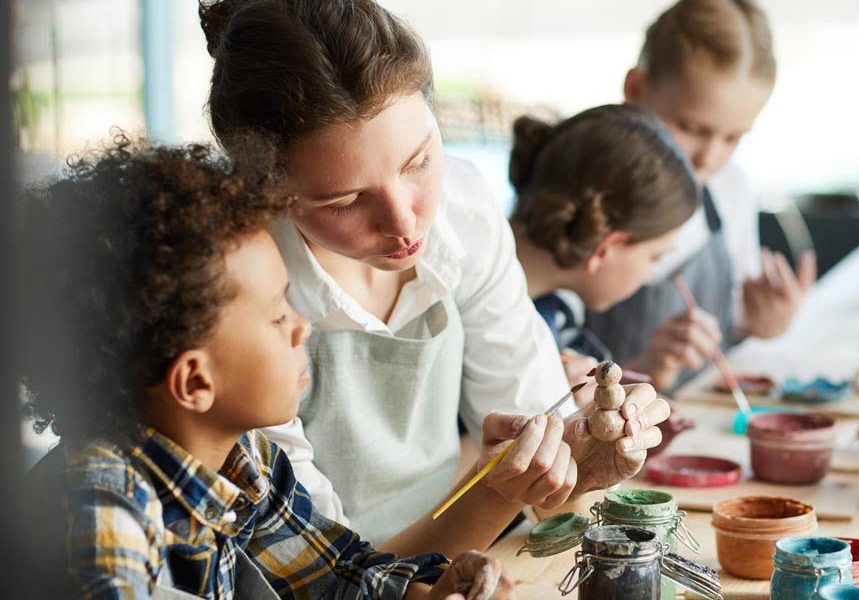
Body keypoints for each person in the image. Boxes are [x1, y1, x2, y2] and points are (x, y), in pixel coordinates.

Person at [199, 0, 670, 558]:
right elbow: (321, 573)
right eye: (345, 201)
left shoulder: (463, 212)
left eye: (419, 161)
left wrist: (581, 460)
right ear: (267, 190)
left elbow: (546, 463)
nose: (406, 223)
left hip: (457, 554)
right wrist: (497, 492)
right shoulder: (234, 288)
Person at [18, 136, 511, 600]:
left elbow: (337, 580)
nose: (302, 327)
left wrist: (426, 591)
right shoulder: (100, 514)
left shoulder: (245, 459)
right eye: (278, 314)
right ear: (195, 381)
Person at [587, 0, 817, 391]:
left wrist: (759, 323)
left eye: (733, 137)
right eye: (690, 127)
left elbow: (729, 322)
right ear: (636, 90)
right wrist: (645, 365)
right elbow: (540, 379)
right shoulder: (583, 195)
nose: (710, 157)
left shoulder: (730, 188)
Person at [509, 104, 699, 388]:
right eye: (654, 257)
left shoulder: (554, 311)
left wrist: (646, 367)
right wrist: (545, 409)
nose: (650, 273)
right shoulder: (475, 311)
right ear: (606, 247)